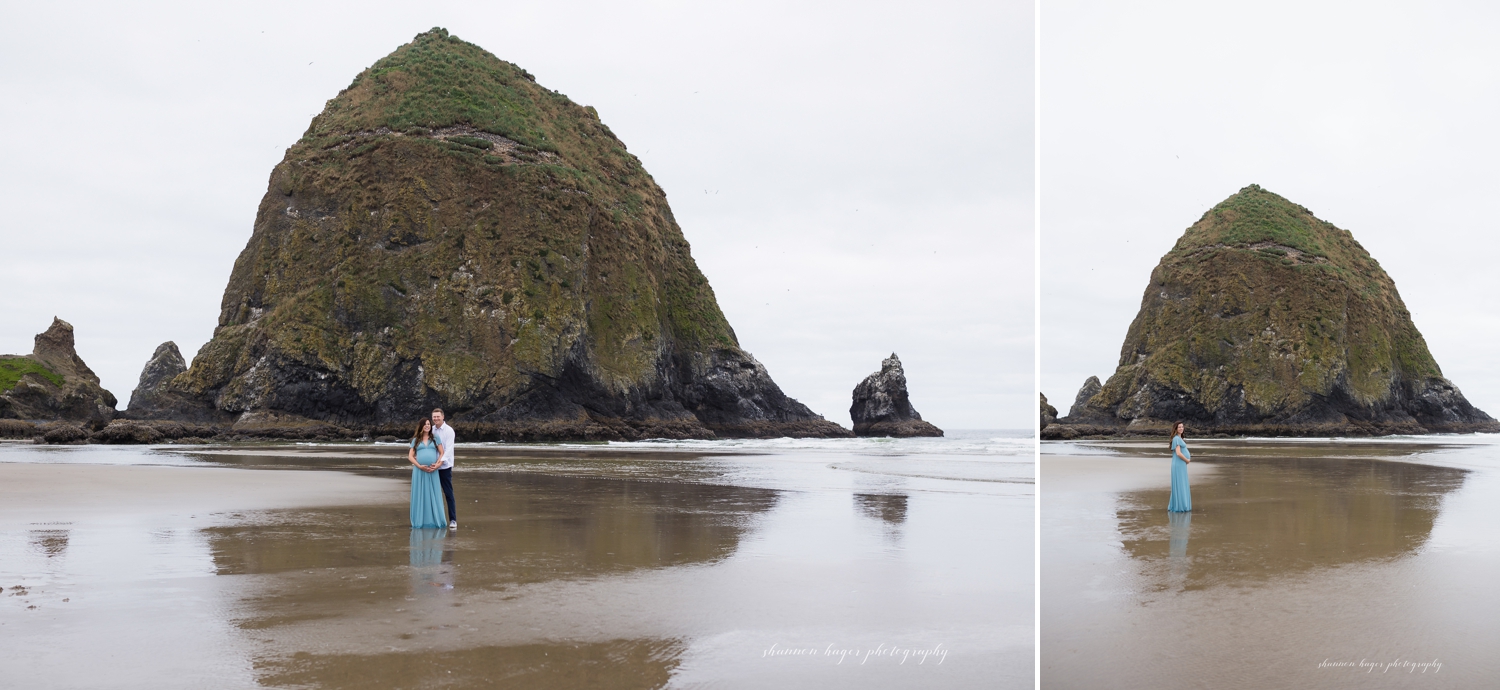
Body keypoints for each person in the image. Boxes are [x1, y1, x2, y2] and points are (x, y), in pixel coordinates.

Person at [408, 418, 447, 528]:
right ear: (421, 426)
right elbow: (410, 456)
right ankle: (420, 520)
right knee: (420, 494)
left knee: (433, 494)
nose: (427, 426)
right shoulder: (416, 440)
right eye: (425, 424)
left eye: (429, 424)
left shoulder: (435, 438)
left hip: (432, 471)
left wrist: (437, 464)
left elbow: (442, 453)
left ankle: (435, 520)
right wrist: (419, 466)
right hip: (419, 471)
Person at [431, 408, 458, 529]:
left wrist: (439, 463)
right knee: (432, 494)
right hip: (432, 466)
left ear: (443, 417)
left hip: (445, 467)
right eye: (434, 417)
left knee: (448, 493)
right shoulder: (431, 429)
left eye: (438, 416)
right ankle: (435, 519)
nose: (436, 419)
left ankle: (453, 520)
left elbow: (448, 450)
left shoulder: (449, 431)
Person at [1168, 421, 1192, 512]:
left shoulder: (1179, 438)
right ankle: (1180, 506)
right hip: (1179, 464)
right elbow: (1178, 453)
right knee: (1180, 484)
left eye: (1182, 427)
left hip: (1180, 464)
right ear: (1176, 429)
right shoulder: (1176, 439)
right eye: (1179, 427)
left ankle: (1181, 504)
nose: (1181, 428)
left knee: (1181, 483)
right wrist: (1187, 460)